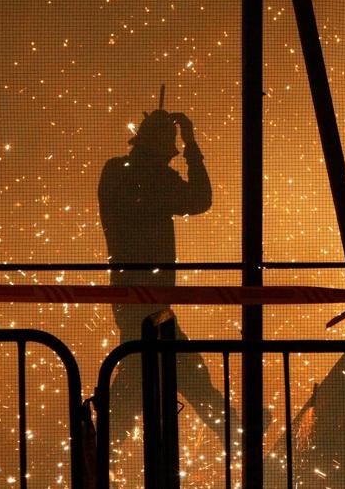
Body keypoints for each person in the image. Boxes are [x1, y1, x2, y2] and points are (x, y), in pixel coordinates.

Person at [98, 105, 234, 448]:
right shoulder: (156, 177)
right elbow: (201, 199)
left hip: (129, 294)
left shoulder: (115, 171)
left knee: (166, 365)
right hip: (148, 297)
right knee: (149, 370)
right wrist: (190, 143)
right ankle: (102, 445)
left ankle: (233, 426)